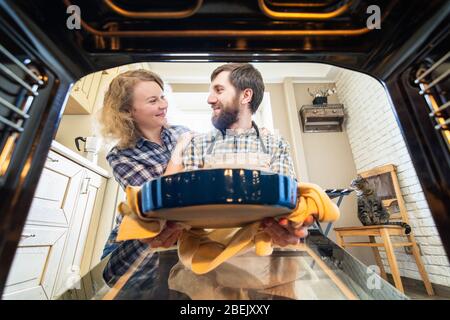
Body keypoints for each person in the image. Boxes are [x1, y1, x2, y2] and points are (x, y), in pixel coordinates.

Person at [98, 69, 190, 286]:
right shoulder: (121, 156)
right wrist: (178, 154)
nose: (163, 105)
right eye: (152, 100)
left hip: (181, 242)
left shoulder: (181, 132)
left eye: (162, 96)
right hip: (136, 251)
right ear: (128, 111)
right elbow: (158, 204)